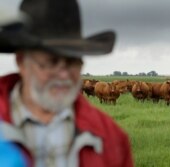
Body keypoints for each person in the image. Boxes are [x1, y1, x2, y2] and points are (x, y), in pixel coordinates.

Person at [0, 0, 134, 167]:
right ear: (21, 62)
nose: (63, 75)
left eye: (72, 61)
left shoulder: (111, 139)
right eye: (51, 62)